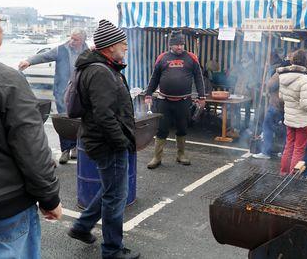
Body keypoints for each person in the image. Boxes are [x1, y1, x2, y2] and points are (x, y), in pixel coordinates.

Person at [0, 7, 62, 258]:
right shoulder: (6, 81)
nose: (2, 29)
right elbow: (31, 149)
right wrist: (50, 198)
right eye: (0, 23)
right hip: (4, 211)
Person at [67, 20, 139, 259]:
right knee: (116, 197)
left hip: (101, 141)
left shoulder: (102, 67)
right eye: (122, 44)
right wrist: (121, 141)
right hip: (107, 143)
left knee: (112, 190)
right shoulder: (100, 71)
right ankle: (112, 250)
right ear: (109, 48)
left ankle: (81, 227)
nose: (126, 47)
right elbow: (104, 115)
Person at [19, 28, 89, 164]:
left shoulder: (87, 51)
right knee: (64, 120)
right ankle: (65, 150)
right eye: (71, 38)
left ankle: (75, 147)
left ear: (82, 40)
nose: (72, 41)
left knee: (79, 121)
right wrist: (28, 61)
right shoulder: (61, 50)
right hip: (63, 93)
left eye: (76, 39)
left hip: (80, 92)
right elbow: (44, 56)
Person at [145, 31, 206, 168]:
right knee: (161, 129)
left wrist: (202, 97)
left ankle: (181, 154)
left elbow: (198, 78)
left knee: (182, 128)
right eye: (177, 44)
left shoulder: (191, 58)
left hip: (184, 101)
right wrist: (148, 94)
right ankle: (157, 157)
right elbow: (154, 78)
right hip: (164, 101)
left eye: (181, 44)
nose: (180, 47)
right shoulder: (162, 58)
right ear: (171, 45)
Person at [278, 49, 307, 174]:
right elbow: (306, 105)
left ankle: (283, 174)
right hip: (303, 121)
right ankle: (293, 178)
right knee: (298, 150)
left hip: (289, 118)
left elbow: (281, 96)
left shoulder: (283, 75)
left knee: (288, 147)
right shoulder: (305, 78)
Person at [252, 49, 288, 159]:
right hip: (285, 104)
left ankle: (266, 152)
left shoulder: (278, 71)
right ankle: (283, 152)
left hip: (276, 104)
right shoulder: (294, 73)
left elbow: (271, 85)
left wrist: (267, 84)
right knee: (284, 129)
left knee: (267, 125)